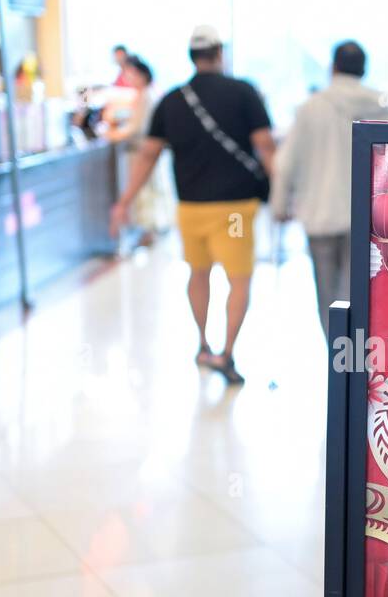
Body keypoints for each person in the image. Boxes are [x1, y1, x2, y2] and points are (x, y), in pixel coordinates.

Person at [109, 25, 275, 385]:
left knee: (198, 273)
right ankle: (227, 352)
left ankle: (203, 345)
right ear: (218, 53)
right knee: (239, 279)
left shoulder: (173, 100)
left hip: (191, 210)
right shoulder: (243, 92)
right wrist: (280, 191)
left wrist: (124, 201)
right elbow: (265, 146)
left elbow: (147, 156)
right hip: (233, 210)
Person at [271, 41, 388, 339]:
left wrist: (279, 205)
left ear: (333, 67)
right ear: (363, 69)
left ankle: (336, 362)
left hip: (320, 215)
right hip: (366, 217)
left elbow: (285, 162)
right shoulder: (382, 106)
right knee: (361, 293)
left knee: (328, 297)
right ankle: (357, 363)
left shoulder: (310, 108)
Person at [107, 56, 172, 248]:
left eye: (131, 73)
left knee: (147, 192)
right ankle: (149, 232)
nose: (127, 77)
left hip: (144, 152)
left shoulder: (146, 95)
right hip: (145, 152)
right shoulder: (145, 94)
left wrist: (114, 134)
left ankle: (150, 232)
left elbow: (137, 128)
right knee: (148, 191)